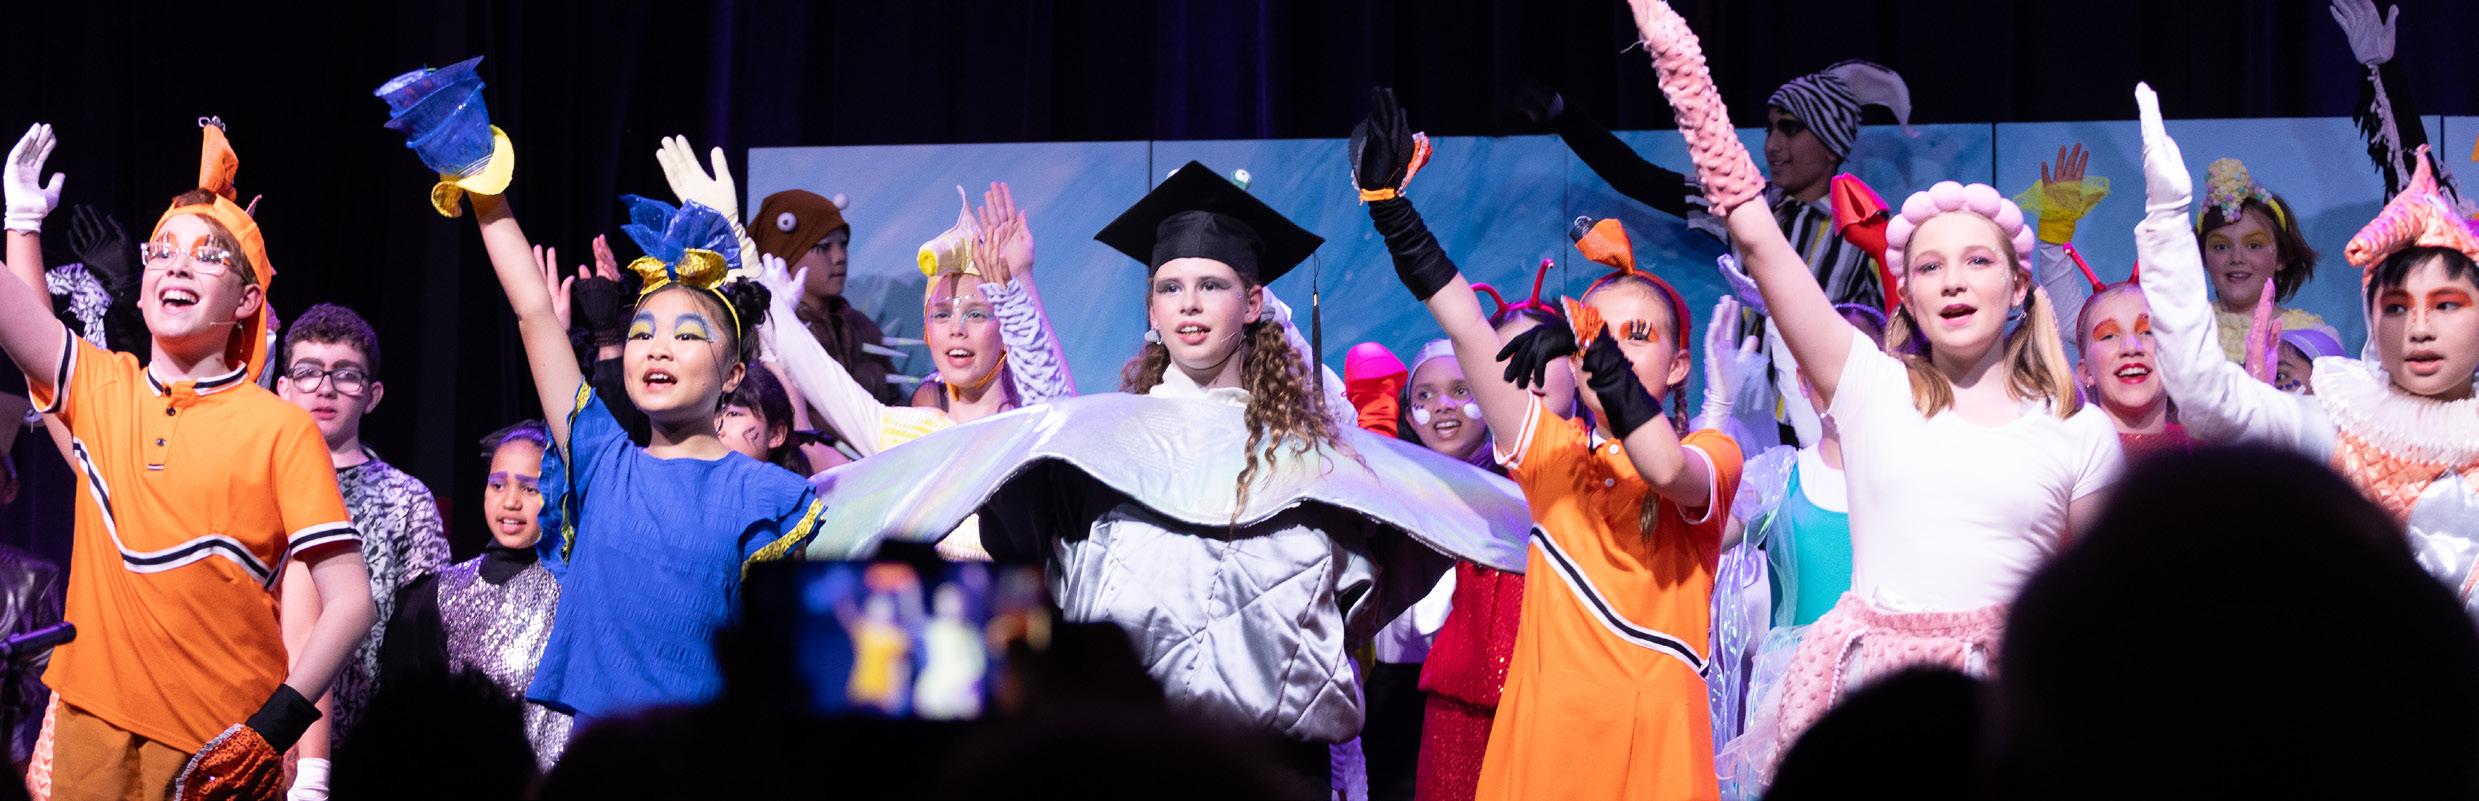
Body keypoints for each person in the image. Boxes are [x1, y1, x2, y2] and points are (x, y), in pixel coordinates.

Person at [800, 161, 1532, 794]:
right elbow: (1046, 442)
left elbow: (1378, 581)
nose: (1189, 302)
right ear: (1151, 307)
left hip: (1276, 767)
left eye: (1211, 284)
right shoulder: (1106, 440)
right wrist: (1017, 290)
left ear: (1253, 303)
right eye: (1171, 286)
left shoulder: (1317, 457)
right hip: (1127, 760)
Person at [1619, 0, 2122, 784]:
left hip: (2007, 715)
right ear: (1907, 296)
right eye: (1929, 267)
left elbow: (2098, 612)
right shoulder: (1868, 388)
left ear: (2018, 287)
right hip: (1866, 707)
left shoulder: (2077, 433)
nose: (1952, 280)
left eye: (1977, 261)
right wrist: (1676, 54)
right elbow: (1753, 230)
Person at [374, 61, 825, 726]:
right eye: (642, 332)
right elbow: (533, 311)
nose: (657, 348)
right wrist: (483, 187)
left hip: (705, 756)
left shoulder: (763, 495)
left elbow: (781, 667)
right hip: (595, 756)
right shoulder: (602, 459)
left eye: (686, 335)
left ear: (734, 374)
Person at [1359, 86, 1746, 800]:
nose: (1611, 348)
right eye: (1594, 331)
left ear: (1679, 365)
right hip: (1545, 744)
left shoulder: (1714, 453)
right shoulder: (1551, 451)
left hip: (1652, 746)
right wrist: (1391, 210)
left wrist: (1598, 353)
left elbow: (1665, 466)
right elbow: (1466, 328)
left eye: (1637, 335)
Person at [0, 120, 375, 800]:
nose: (176, 265)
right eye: (163, 251)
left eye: (208, 258)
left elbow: (350, 600)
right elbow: (23, 321)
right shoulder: (105, 389)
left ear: (248, 300)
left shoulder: (280, 428)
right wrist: (21, 221)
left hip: (216, 751)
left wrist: (275, 729)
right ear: (143, 287)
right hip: (91, 732)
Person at [2133, 85, 2479, 613]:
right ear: (2372, 318)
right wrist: (2167, 216)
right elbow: (2207, 398)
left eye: (2447, 304)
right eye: (2396, 307)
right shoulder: (2338, 426)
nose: (2419, 328)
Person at [272, 302, 448, 757]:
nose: (325, 388)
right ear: (283, 388)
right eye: (308, 372)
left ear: (372, 394)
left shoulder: (406, 499)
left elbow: (420, 635)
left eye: (346, 375)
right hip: (253, 720)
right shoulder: (255, 482)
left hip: (362, 741)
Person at [376, 421, 573, 769]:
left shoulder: (574, 586)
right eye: (498, 485)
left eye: (529, 488)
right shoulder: (441, 594)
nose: (510, 502)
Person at [752, 188, 897, 404]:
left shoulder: (861, 327)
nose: (839, 257)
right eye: (824, 246)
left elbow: (896, 400)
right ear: (782, 256)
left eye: (843, 244)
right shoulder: (761, 333)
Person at [2189, 157, 2339, 364]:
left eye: (2253, 245)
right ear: (2204, 257)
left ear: (2282, 256)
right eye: (2221, 247)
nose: (2236, 258)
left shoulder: (2311, 335)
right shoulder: (2185, 330)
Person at [2074, 283, 2194, 459]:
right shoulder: (2070, 458)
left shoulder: (2210, 454)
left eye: (2148, 332)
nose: (2131, 347)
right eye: (2109, 336)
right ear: (2086, 372)